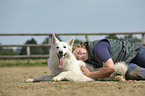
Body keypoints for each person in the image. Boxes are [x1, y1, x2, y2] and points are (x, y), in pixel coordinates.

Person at [73, 38, 145, 80]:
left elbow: (110, 68)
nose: (80, 56)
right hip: (126, 64)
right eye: (77, 58)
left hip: (135, 52)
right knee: (131, 73)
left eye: (78, 52)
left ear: (81, 45)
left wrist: (90, 74)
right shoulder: (91, 60)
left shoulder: (97, 47)